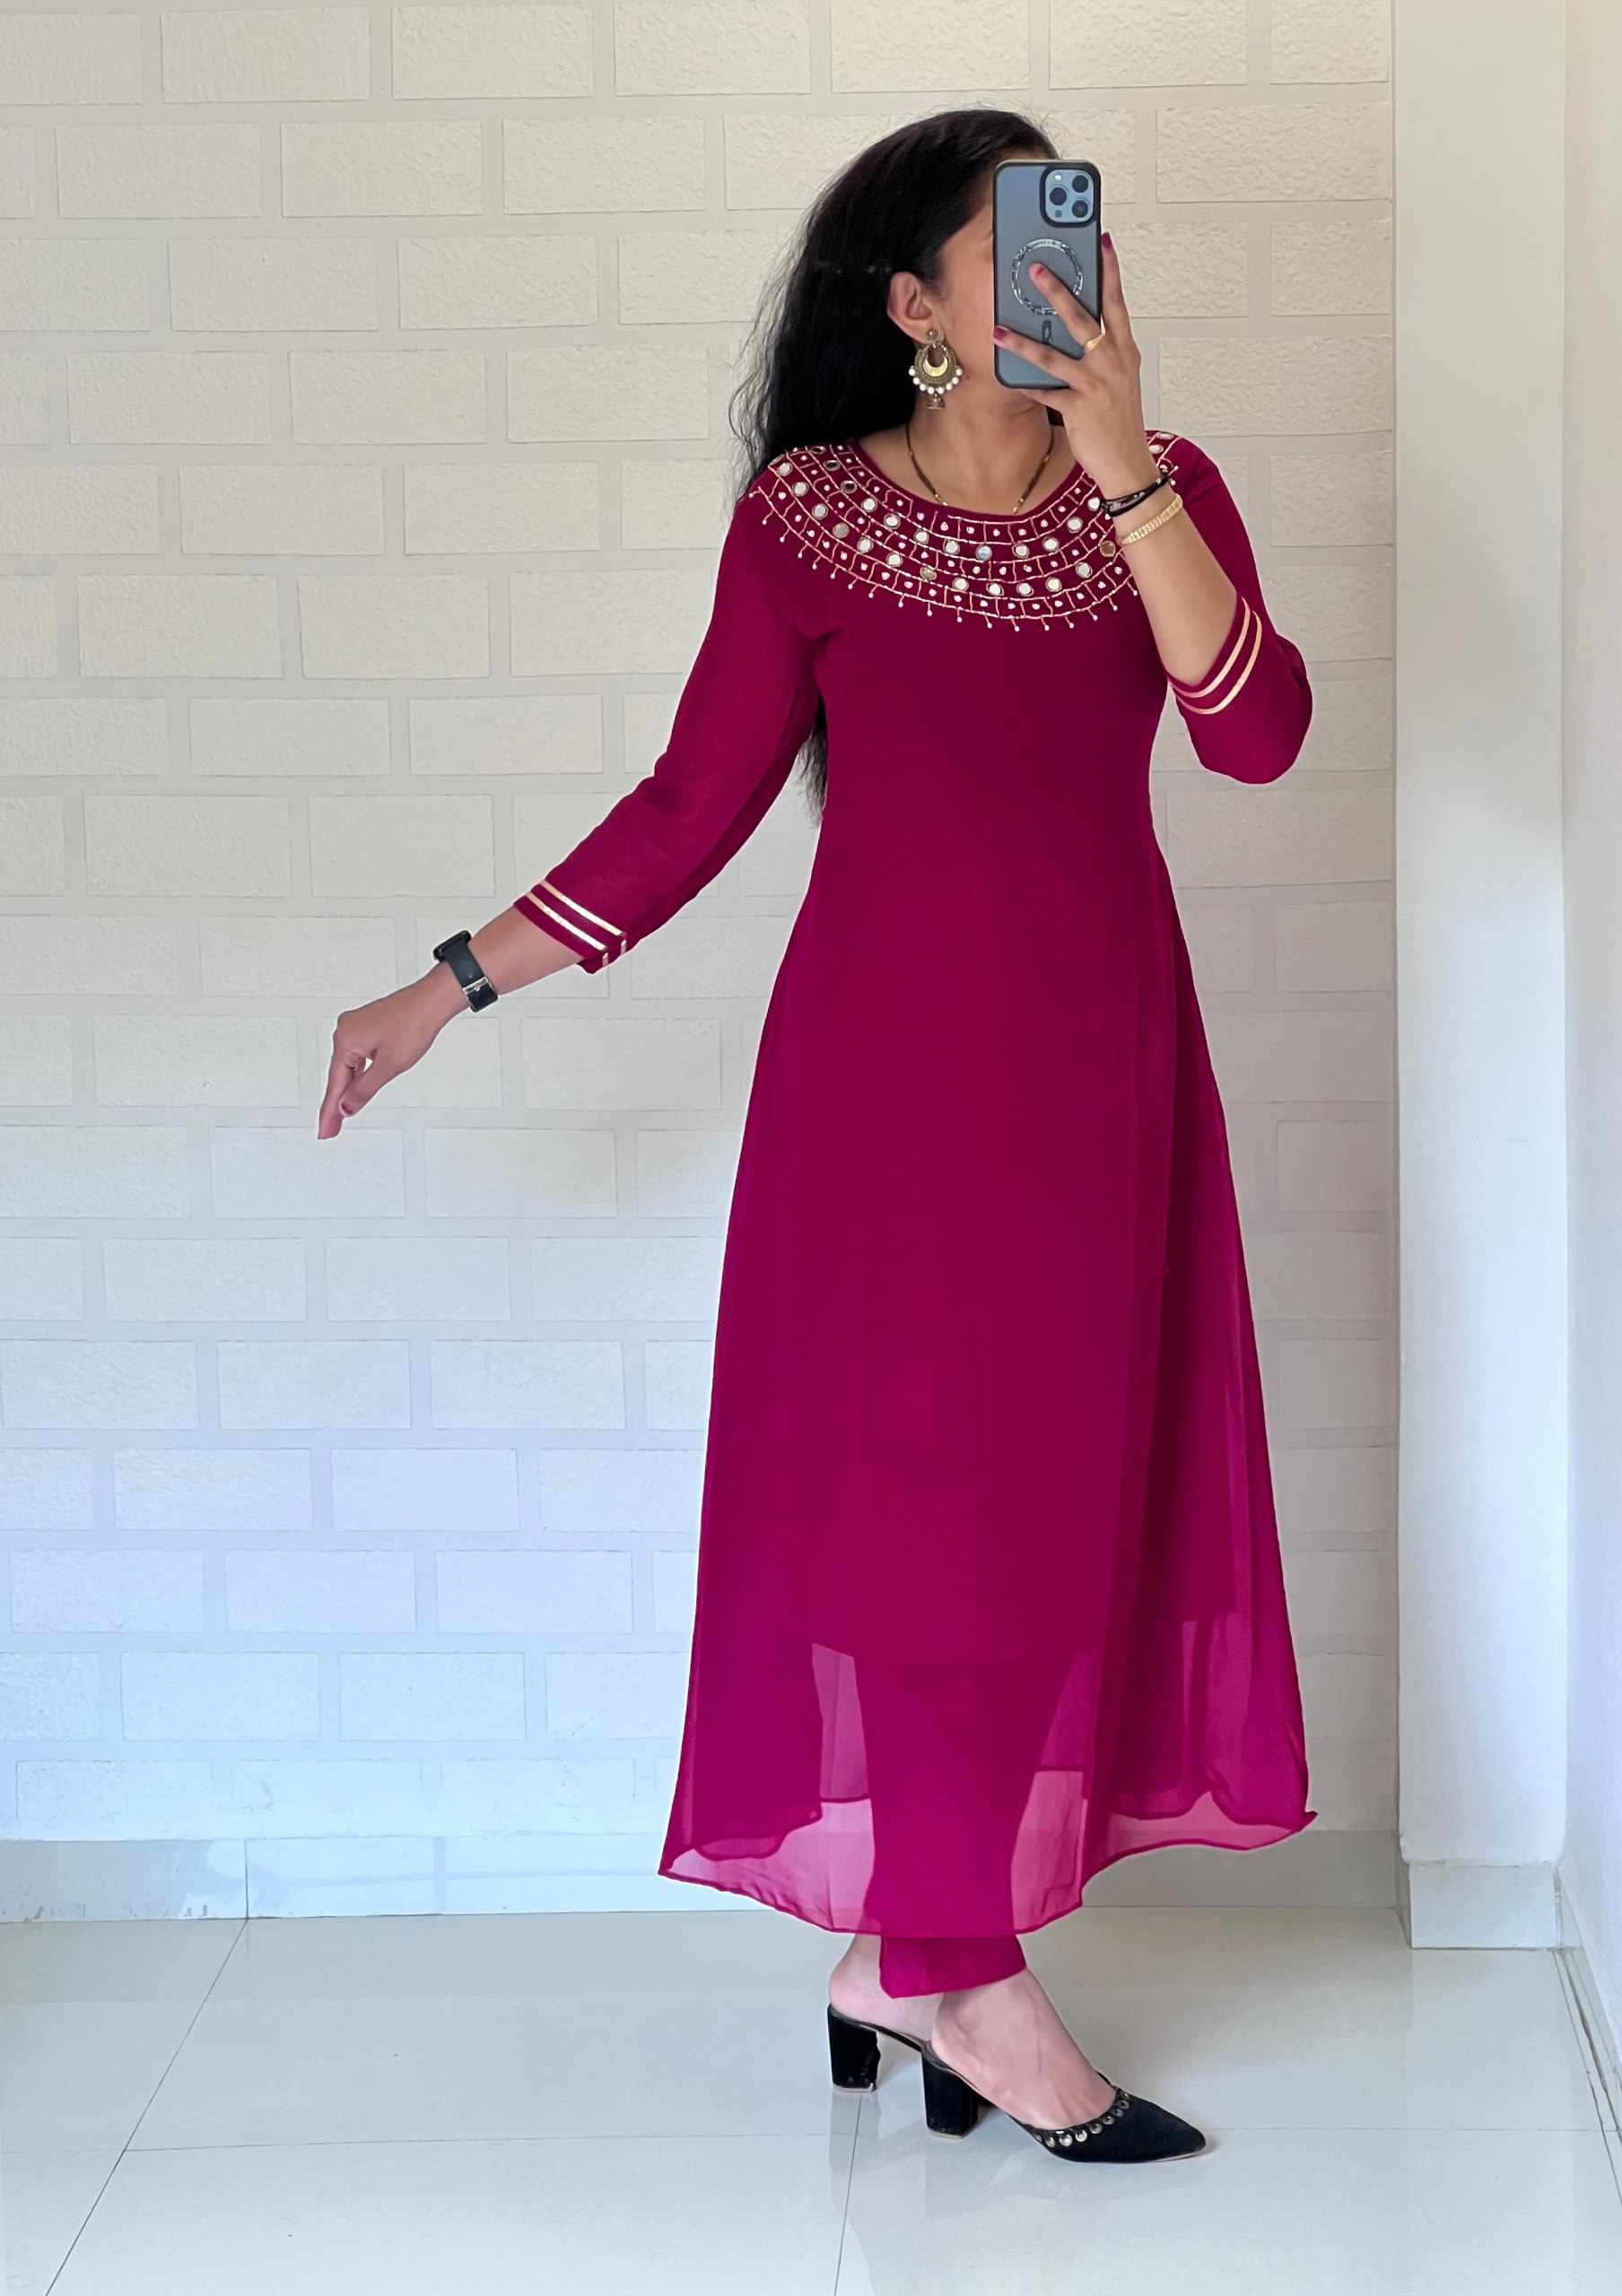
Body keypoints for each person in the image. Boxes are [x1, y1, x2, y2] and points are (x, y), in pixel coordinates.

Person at [317, 109, 1318, 2165]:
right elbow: (689, 808)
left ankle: (905, 1957)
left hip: (1105, 1079)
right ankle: (970, 1977)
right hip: (885, 1100)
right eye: (1016, 250)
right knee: (919, 1515)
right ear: (916, 303)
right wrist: (448, 981)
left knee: (1058, 1504)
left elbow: (1260, 731)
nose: (1069, 279)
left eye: (1082, 240)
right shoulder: (807, 522)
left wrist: (1127, 456)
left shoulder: (1161, 491)